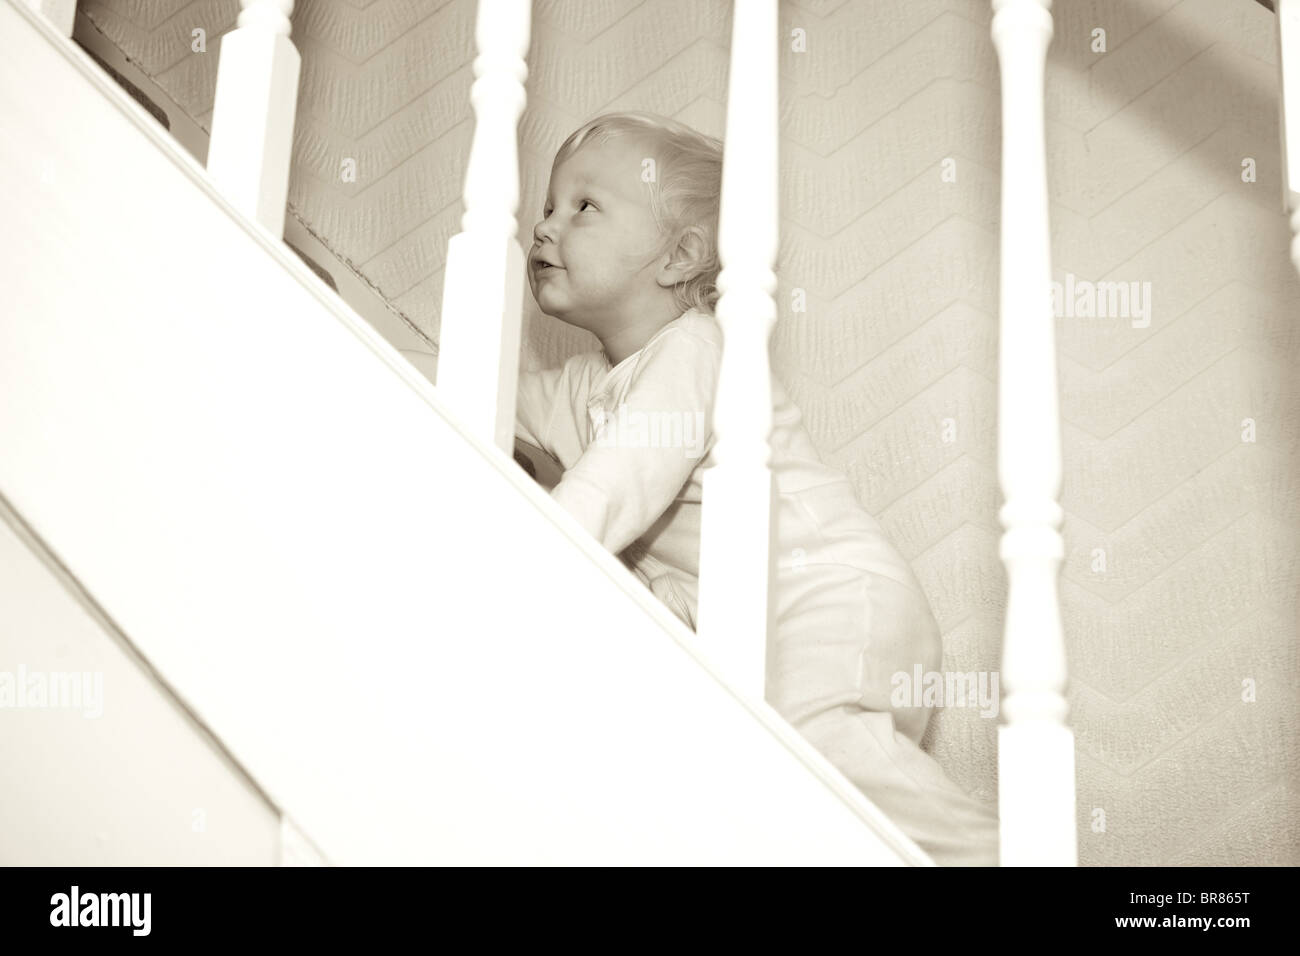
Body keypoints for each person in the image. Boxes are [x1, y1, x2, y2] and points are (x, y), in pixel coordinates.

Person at [515, 111, 999, 866]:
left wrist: (522, 557)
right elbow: (480, 396)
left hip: (829, 599)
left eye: (584, 207)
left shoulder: (702, 348)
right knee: (780, 809)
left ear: (680, 256)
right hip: (752, 621)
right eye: (546, 206)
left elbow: (616, 485)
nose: (544, 227)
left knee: (832, 761)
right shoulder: (583, 387)